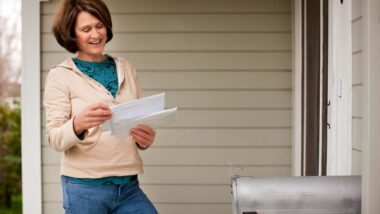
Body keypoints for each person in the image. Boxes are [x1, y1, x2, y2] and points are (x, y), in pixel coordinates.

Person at [43, 0, 158, 213]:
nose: (96, 35)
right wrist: (78, 124)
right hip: (84, 189)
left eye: (99, 25)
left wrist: (145, 138)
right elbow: (55, 138)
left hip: (128, 186)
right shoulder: (60, 75)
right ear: (71, 34)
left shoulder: (126, 68)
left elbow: (138, 120)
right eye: (86, 29)